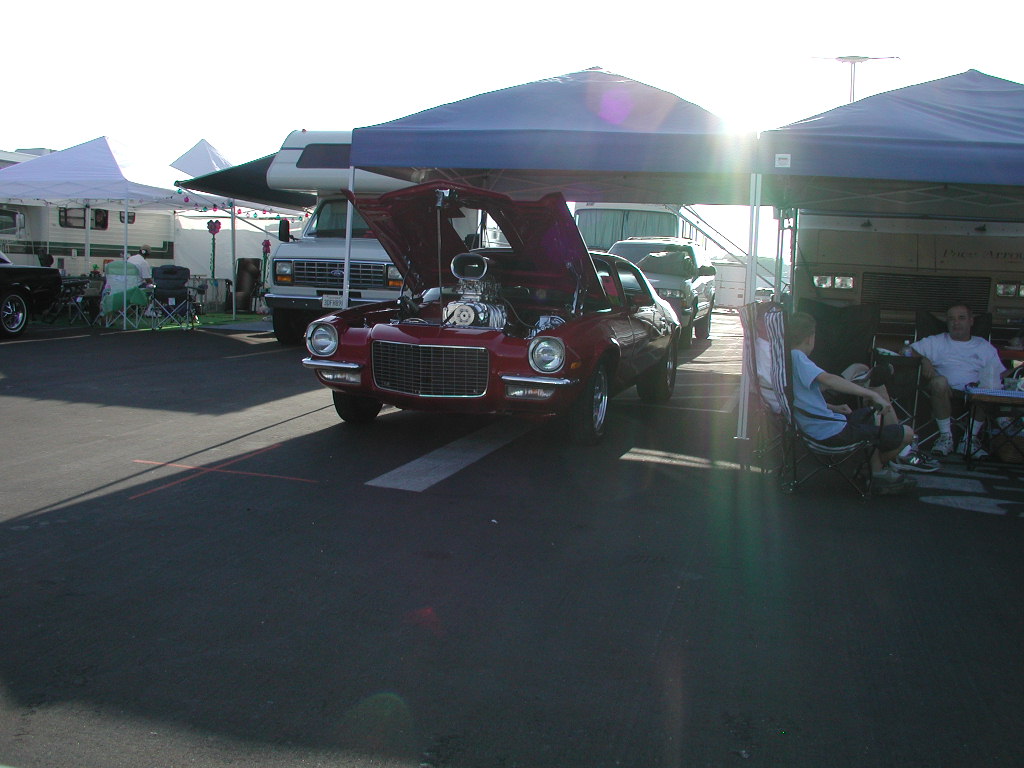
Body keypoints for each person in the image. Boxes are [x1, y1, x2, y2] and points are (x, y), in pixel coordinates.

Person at [788, 311, 918, 495]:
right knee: (908, 434)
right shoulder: (798, 357)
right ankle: (871, 469)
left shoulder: (785, 359)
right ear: (810, 338)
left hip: (819, 427)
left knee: (874, 416)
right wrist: (872, 394)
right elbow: (829, 380)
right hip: (831, 433)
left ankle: (876, 471)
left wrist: (832, 407)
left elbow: (800, 399)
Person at [909, 302, 1005, 459]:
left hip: (976, 393)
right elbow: (907, 350)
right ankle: (945, 438)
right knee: (939, 382)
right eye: (951, 319)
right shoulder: (937, 341)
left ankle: (969, 440)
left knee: (989, 387)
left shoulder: (983, 345)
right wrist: (924, 359)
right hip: (945, 391)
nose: (956, 322)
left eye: (961, 318)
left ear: (971, 321)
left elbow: (998, 374)